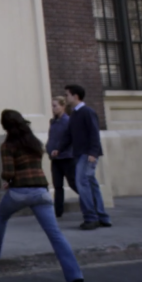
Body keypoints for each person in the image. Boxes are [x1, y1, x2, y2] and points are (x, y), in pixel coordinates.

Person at [0, 110, 85, 282]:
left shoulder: (7, 145)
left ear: (5, 126)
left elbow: (8, 173)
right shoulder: (34, 142)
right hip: (41, 192)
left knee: (1, 217)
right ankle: (75, 276)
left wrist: (7, 180)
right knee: (55, 235)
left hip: (19, 192)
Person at [52, 84, 111, 230]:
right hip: (80, 154)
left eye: (67, 95)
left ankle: (90, 218)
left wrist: (93, 152)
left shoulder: (87, 112)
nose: (66, 97)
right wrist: (59, 149)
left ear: (75, 96)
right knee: (91, 184)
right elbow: (69, 135)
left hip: (87, 154)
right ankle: (102, 217)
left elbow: (94, 133)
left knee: (81, 182)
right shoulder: (74, 114)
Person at [47, 96, 78, 218]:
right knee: (57, 185)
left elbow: (70, 139)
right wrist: (48, 149)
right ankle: (58, 212)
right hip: (55, 159)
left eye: (55, 106)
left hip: (67, 157)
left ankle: (91, 203)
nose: (53, 108)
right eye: (52, 106)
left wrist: (60, 150)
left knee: (73, 183)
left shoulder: (68, 121)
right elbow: (52, 138)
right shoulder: (53, 122)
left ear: (62, 106)